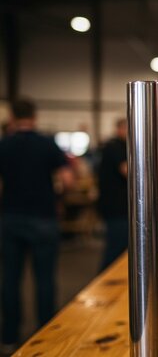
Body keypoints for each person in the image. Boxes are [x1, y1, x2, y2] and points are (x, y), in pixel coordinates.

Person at [0, 99, 74, 352]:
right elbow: (67, 178)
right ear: (34, 116)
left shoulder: (4, 145)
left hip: (10, 218)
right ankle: (45, 334)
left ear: (12, 116)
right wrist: (59, 199)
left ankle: (9, 337)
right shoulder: (46, 144)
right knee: (44, 278)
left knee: (10, 278)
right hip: (43, 218)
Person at [96, 118, 129, 271]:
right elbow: (127, 171)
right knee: (116, 250)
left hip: (118, 207)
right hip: (116, 207)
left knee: (120, 249)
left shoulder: (120, 146)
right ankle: (104, 285)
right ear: (120, 129)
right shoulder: (115, 147)